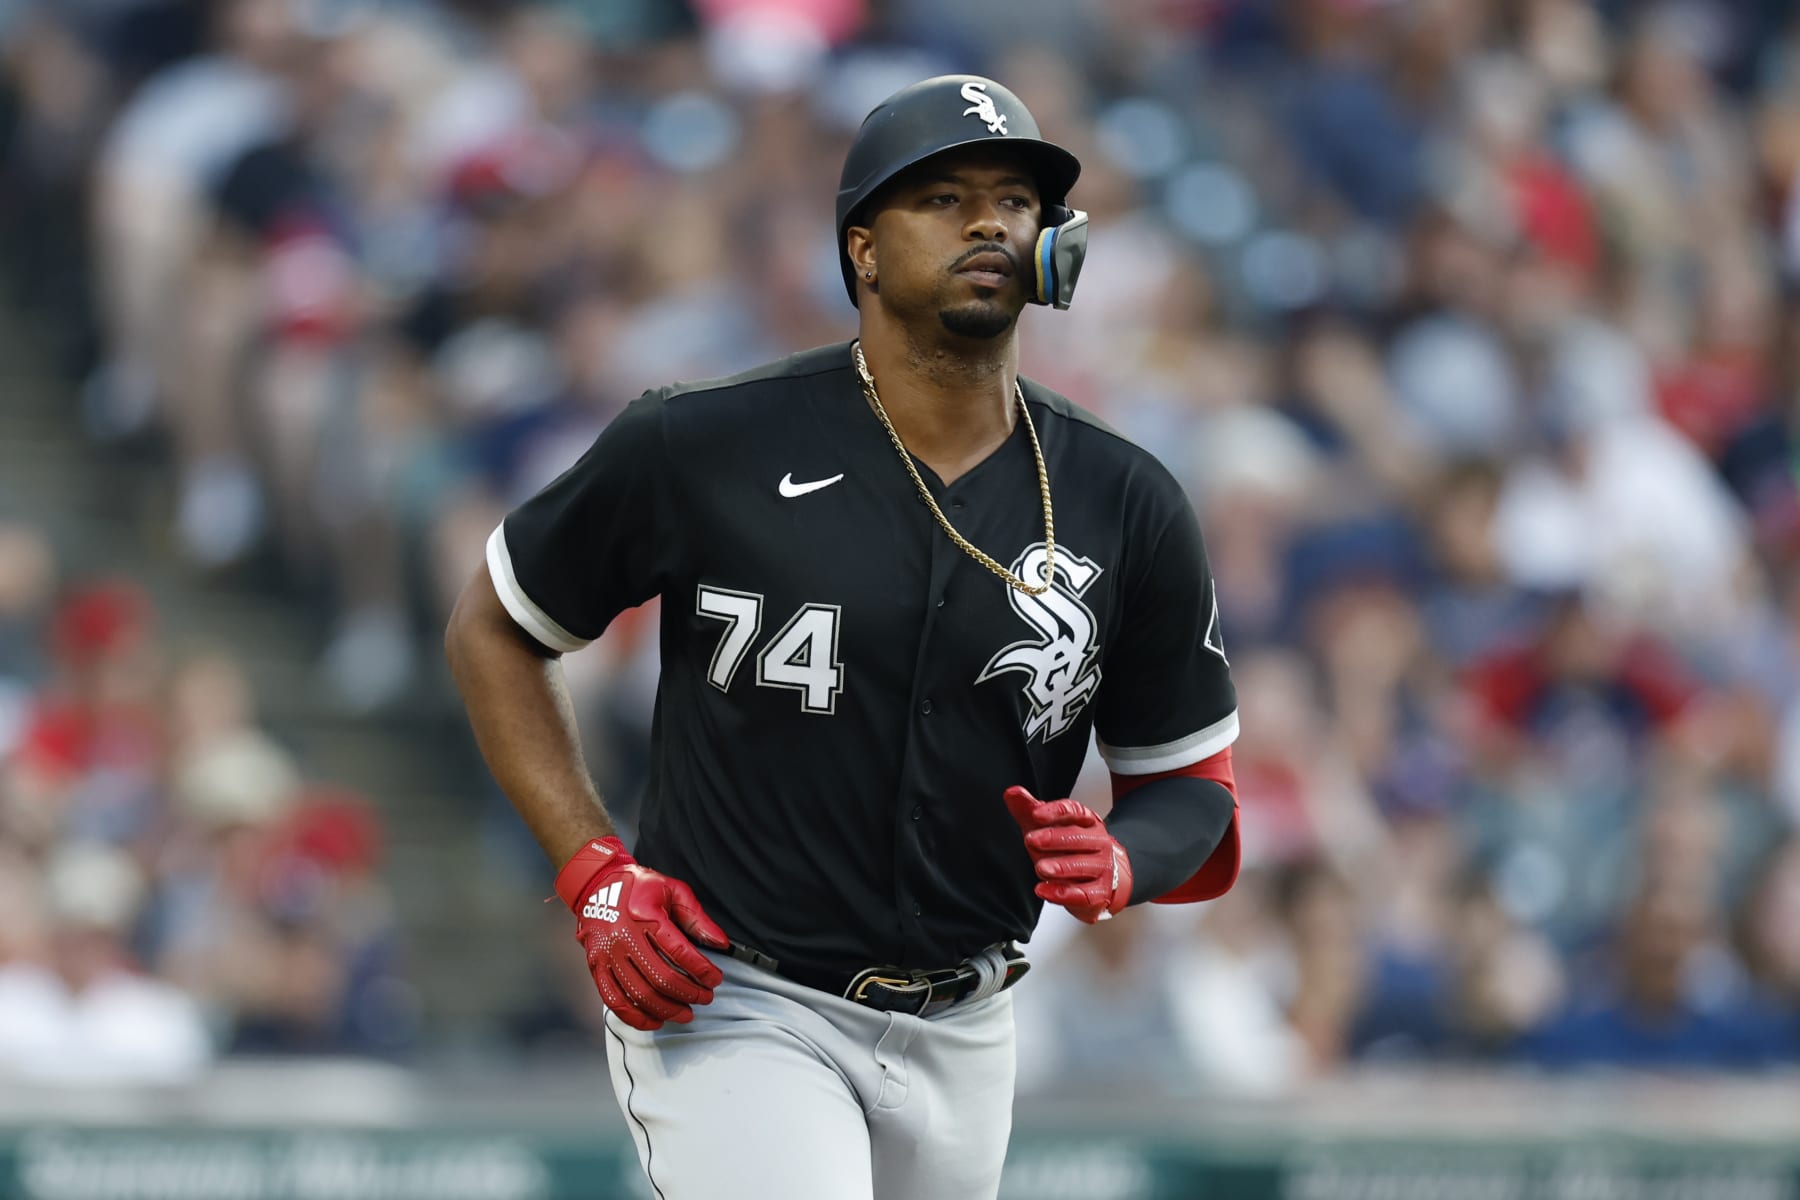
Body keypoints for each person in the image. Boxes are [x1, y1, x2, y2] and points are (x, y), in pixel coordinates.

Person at [444, 74, 1242, 1200]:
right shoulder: (702, 443)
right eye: (945, 197)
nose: (988, 223)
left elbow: (1193, 791)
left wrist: (1124, 856)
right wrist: (593, 868)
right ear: (862, 249)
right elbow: (497, 624)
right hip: (738, 997)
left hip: (970, 1020)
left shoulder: (1124, 497)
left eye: (1016, 200)